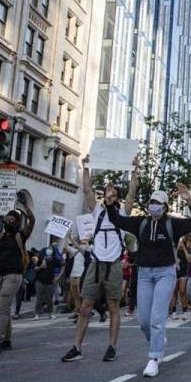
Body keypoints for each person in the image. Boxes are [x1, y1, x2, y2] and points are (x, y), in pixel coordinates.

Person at [104, 184, 191, 376]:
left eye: (158, 203)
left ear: (165, 207)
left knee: (157, 318)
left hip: (166, 273)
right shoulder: (141, 223)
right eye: (151, 203)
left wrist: (189, 201)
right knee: (143, 320)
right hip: (145, 274)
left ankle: (154, 358)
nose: (153, 206)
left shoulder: (173, 224)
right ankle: (158, 339)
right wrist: (109, 203)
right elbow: (117, 220)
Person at [61, 154, 137, 363]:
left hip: (113, 264)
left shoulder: (123, 211)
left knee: (113, 306)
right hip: (95, 263)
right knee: (85, 307)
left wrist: (135, 170)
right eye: (107, 193)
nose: (109, 195)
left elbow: (132, 191)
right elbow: (86, 190)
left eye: (113, 194)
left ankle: (112, 347)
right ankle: (77, 347)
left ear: (117, 198)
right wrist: (86, 167)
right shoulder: (97, 211)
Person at [0, 193, 34, 354]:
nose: (9, 222)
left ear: (16, 223)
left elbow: (32, 221)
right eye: (7, 220)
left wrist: (26, 207)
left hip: (13, 275)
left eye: (12, 221)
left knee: (2, 309)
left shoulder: (20, 236)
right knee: (3, 309)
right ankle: (7, 340)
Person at [34, 244, 62, 320]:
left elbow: (63, 266)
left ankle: (50, 313)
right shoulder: (41, 258)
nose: (49, 250)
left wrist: (58, 277)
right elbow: (35, 269)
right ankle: (37, 313)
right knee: (39, 298)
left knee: (49, 298)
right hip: (39, 280)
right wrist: (40, 267)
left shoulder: (55, 260)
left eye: (50, 249)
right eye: (48, 249)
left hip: (50, 281)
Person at [170, 236, 191, 319]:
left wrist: (183, 247)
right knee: (174, 291)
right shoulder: (174, 249)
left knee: (182, 291)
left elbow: (189, 259)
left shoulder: (187, 248)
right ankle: (174, 310)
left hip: (183, 272)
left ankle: (184, 310)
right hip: (174, 272)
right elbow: (172, 258)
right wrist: (177, 247)